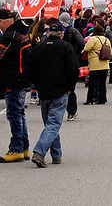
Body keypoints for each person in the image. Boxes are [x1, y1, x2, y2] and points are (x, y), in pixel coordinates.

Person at [27, 21, 79, 168]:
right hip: (60, 90)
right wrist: (71, 87)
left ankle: (56, 154)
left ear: (48, 33)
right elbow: (73, 69)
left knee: (49, 124)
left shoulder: (39, 48)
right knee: (53, 124)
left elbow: (30, 69)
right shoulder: (66, 47)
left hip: (43, 91)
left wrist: (36, 85)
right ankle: (39, 152)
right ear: (61, 34)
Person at [0, 9, 32, 163]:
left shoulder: (9, 36)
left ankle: (16, 149)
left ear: (2, 21)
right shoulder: (22, 33)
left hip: (13, 79)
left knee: (14, 115)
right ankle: (24, 147)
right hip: (22, 78)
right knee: (20, 114)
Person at [60, 13, 84, 121]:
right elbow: (82, 42)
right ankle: (71, 112)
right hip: (70, 59)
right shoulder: (73, 31)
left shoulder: (55, 29)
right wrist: (76, 52)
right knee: (70, 87)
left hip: (56, 59)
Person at [83, 24, 111, 104]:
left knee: (92, 83)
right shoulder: (106, 40)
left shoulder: (93, 39)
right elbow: (110, 51)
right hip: (104, 64)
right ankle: (102, 99)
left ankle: (89, 99)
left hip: (95, 65)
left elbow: (86, 48)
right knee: (102, 83)